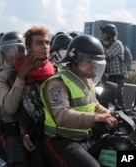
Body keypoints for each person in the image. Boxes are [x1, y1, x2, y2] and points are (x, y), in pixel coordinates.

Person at [40, 34, 118, 167]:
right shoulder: (57, 83)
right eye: (89, 61)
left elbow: (93, 103)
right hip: (61, 141)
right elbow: (62, 115)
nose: (94, 66)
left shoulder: (86, 80)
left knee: (119, 157)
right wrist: (95, 118)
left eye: (96, 62)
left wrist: (108, 115)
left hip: (85, 137)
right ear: (75, 59)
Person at [0, 26, 54, 167]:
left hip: (38, 124)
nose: (14, 54)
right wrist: (21, 76)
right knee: (19, 162)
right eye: (9, 50)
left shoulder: (38, 69)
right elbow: (10, 107)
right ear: (3, 53)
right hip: (10, 126)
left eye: (18, 50)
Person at [100, 24, 127, 110]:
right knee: (105, 98)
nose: (103, 36)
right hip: (108, 76)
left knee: (118, 99)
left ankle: (123, 117)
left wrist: (99, 45)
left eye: (105, 34)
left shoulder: (117, 44)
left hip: (118, 76)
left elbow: (106, 55)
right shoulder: (104, 44)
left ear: (110, 34)